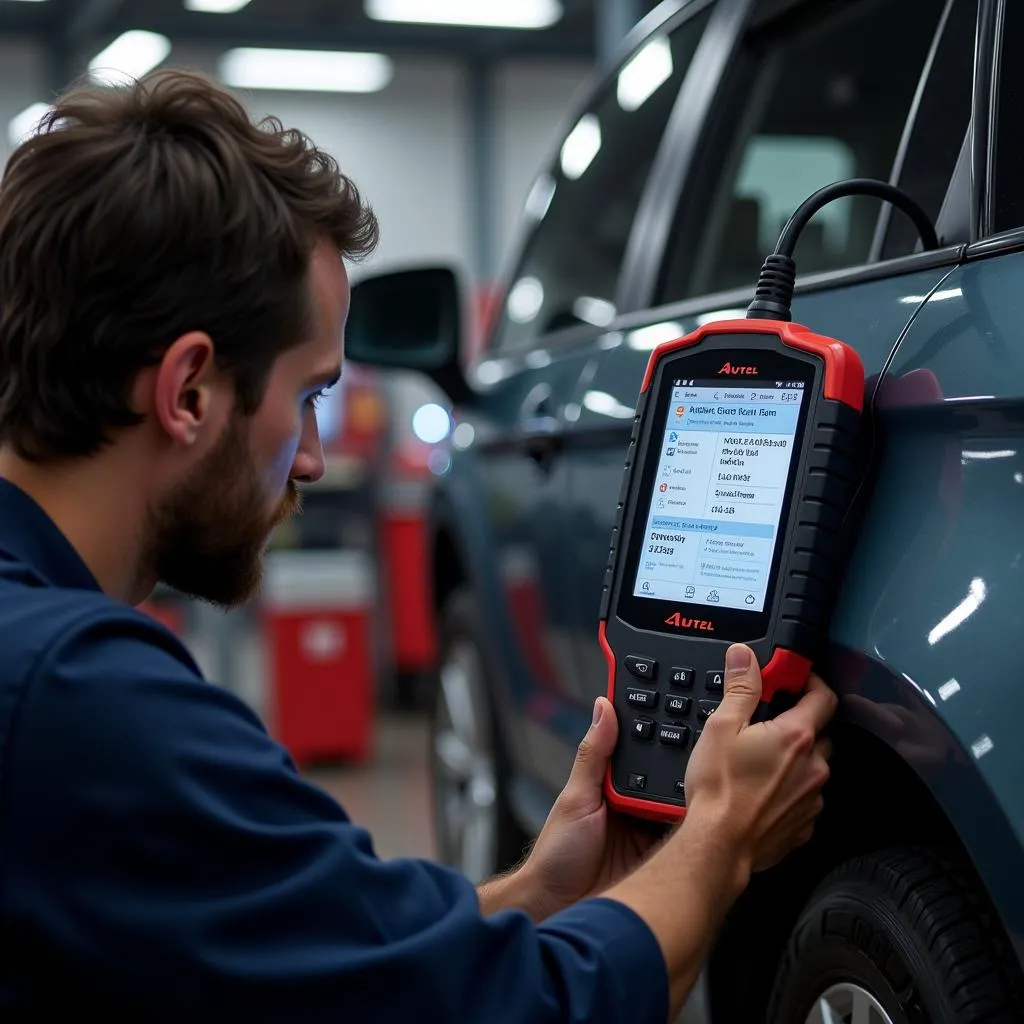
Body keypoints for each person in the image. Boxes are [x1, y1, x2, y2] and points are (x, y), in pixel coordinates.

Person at [0, 68, 836, 1021]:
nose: (313, 459)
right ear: (189, 390)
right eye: (310, 396)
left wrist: (535, 894)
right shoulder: (81, 699)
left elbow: (318, 955)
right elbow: (517, 1008)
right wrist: (721, 835)